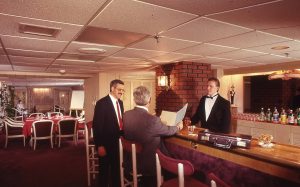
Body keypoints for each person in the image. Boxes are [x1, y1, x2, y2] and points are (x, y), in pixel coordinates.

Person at [123, 86, 183, 187]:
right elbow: (168, 131)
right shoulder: (152, 120)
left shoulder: (126, 115)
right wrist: (178, 127)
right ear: (149, 100)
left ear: (134, 99)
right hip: (148, 164)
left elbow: (141, 127)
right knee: (172, 163)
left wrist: (154, 119)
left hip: (130, 161)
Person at [92, 79, 125, 187]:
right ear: (112, 88)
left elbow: (120, 122)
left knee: (117, 170)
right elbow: (97, 126)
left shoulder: (120, 102)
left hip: (118, 142)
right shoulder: (101, 103)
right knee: (104, 171)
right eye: (119, 89)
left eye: (123, 90)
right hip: (105, 143)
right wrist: (100, 145)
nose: (121, 92)